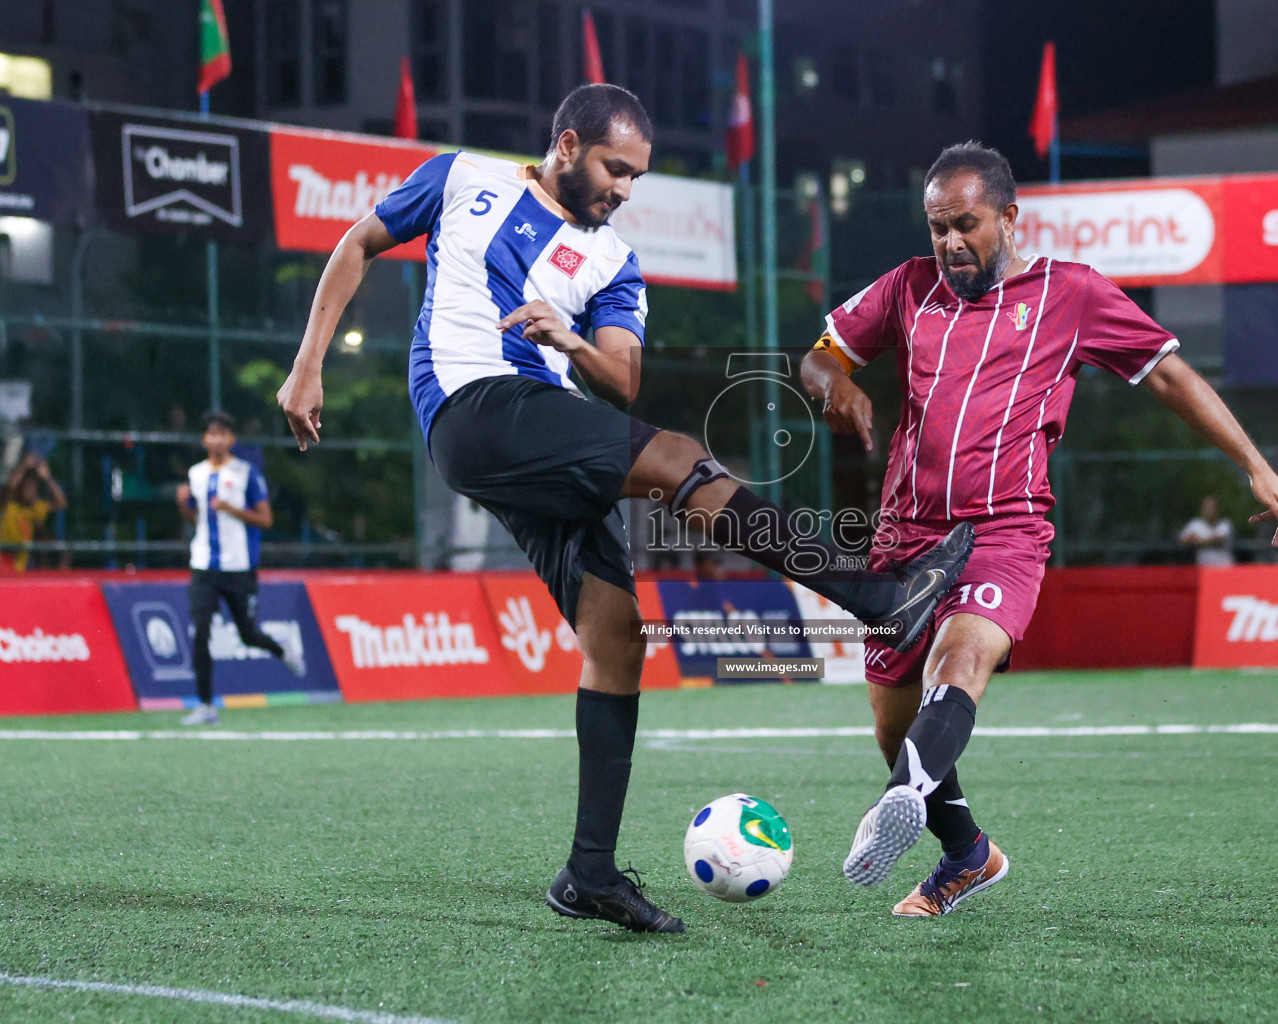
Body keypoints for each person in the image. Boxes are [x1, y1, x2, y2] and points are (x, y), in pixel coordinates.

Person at [276, 84, 971, 935]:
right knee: (677, 456)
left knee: (616, 642)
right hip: (472, 411)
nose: (624, 190)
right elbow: (357, 244)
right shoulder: (460, 178)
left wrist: (569, 341)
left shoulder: (614, 261)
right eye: (615, 169)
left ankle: (589, 873)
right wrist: (307, 364)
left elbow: (621, 376)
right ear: (567, 145)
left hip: (543, 421)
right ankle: (873, 594)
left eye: (637, 177)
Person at [800, 142, 1278, 917]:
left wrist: (1254, 466)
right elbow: (821, 356)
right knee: (894, 721)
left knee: (960, 658)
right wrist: (834, 383)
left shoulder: (1072, 295)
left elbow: (1169, 373)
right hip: (903, 538)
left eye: (965, 224)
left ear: (1008, 217)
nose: (950, 243)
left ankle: (900, 799)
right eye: (937, 227)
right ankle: (968, 855)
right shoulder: (908, 287)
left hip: (1006, 528)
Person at [176, 412, 305, 726]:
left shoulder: (246, 473)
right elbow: (200, 520)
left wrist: (231, 509)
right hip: (204, 565)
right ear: (204, 440)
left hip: (239, 567)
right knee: (200, 630)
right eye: (212, 434)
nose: (217, 440)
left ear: (231, 439)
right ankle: (206, 704)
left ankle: (280, 648)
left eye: (224, 434)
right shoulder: (195, 475)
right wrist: (183, 506)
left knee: (247, 634)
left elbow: (265, 519)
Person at [0, 451, 66, 572]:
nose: (31, 491)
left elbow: (61, 503)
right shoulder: (8, 506)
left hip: (18, 568)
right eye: (27, 488)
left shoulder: (36, 508)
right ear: (19, 489)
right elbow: (9, 488)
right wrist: (23, 466)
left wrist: (47, 478)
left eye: (33, 488)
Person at [1179, 495, 1235, 567]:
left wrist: (1196, 540)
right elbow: (1182, 541)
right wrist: (1209, 541)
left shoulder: (1225, 524)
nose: (1209, 510)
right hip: (1203, 570)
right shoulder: (1195, 524)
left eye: (1212, 507)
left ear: (1217, 509)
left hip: (1224, 568)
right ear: (1202, 509)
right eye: (1207, 507)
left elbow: (1218, 541)